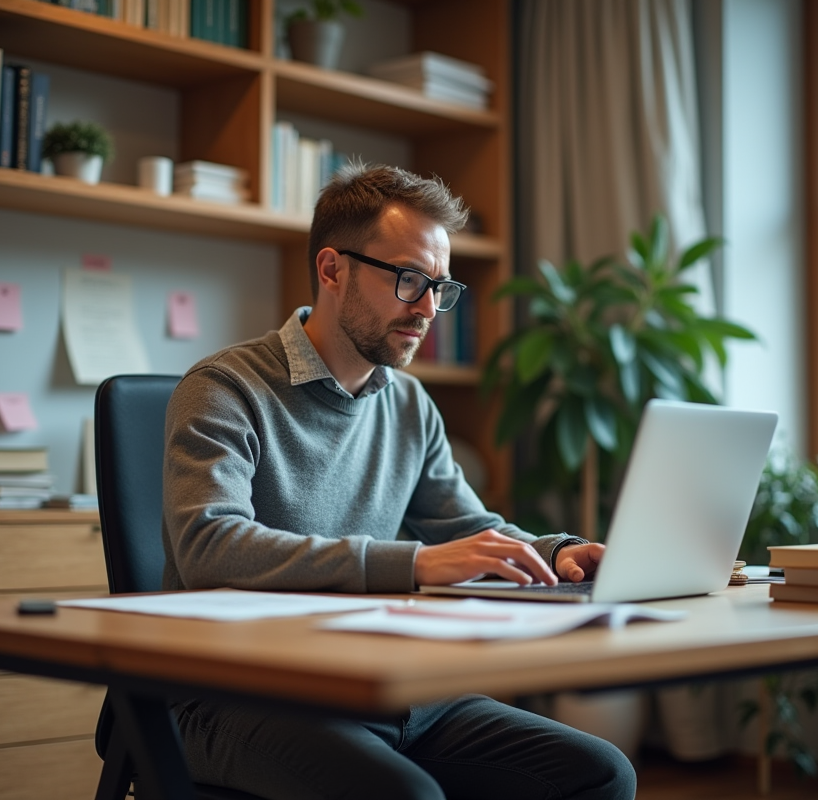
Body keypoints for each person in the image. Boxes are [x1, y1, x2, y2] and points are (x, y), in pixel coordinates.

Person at [162, 162, 636, 800]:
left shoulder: (408, 404)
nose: (429, 309)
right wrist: (414, 564)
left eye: (441, 286)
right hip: (237, 697)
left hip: (381, 685)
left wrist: (556, 552)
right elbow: (209, 547)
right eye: (410, 279)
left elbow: (470, 531)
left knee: (602, 775)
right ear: (333, 270)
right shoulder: (223, 388)